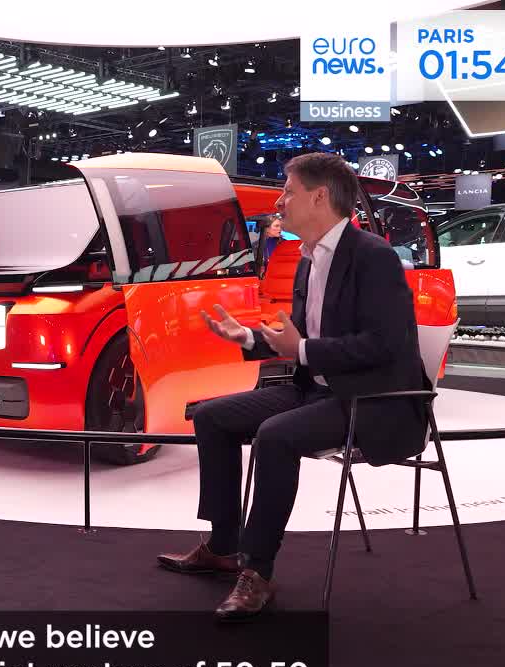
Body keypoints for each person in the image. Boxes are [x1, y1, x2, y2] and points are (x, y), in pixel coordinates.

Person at [157, 153, 429, 621]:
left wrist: (301, 349)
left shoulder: (374, 257)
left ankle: (257, 571)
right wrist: (248, 338)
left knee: (275, 436)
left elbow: (383, 345)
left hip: (373, 397)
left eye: (288, 192)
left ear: (319, 197)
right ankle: (223, 547)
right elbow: (300, 339)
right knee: (211, 417)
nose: (279, 202)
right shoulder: (307, 260)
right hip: (318, 388)